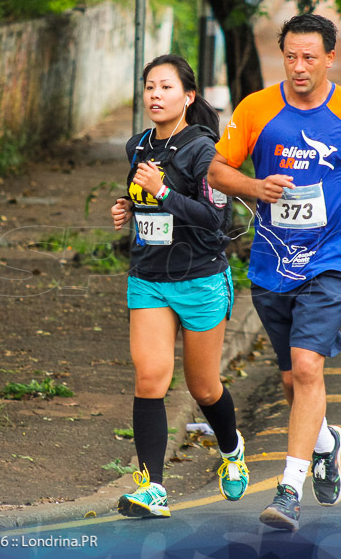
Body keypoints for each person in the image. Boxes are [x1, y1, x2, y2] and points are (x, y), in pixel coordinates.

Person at [207, 14, 341, 531]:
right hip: (272, 263)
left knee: (309, 368)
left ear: (329, 58)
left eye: (309, 57)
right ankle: (327, 442)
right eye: (290, 56)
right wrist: (254, 187)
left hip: (330, 258)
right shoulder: (257, 108)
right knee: (294, 381)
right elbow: (217, 169)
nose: (298, 66)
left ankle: (288, 490)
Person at [110, 54, 247, 519]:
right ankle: (151, 487)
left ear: (187, 97)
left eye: (165, 87)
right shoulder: (138, 146)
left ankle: (231, 450)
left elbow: (218, 221)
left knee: (204, 387)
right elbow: (143, 200)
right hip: (149, 278)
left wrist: (166, 194)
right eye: (149, 86)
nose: (154, 95)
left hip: (200, 279)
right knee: (150, 379)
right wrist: (128, 210)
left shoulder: (204, 152)